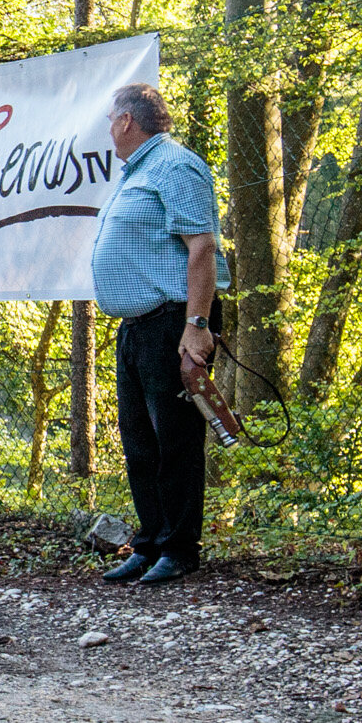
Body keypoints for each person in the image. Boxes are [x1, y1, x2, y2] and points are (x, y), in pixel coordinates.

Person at [91, 82, 222, 586]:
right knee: (139, 442)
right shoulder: (137, 172)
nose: (108, 128)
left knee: (176, 440)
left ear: (127, 121)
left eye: (111, 119)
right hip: (137, 326)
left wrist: (196, 327)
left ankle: (180, 548)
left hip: (174, 320)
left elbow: (202, 248)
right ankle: (148, 544)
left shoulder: (176, 165)